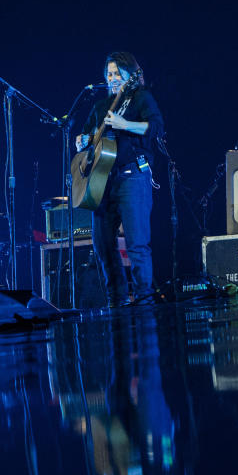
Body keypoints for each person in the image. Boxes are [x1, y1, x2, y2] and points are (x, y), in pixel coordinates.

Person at [76, 52, 164, 307]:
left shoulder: (140, 98)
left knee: (137, 245)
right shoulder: (100, 107)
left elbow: (156, 128)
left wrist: (125, 124)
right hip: (102, 183)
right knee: (103, 246)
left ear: (130, 75)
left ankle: (144, 300)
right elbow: (87, 137)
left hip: (132, 176)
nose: (113, 78)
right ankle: (117, 301)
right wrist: (81, 141)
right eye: (109, 74)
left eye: (117, 73)